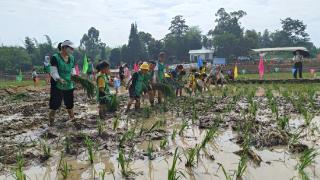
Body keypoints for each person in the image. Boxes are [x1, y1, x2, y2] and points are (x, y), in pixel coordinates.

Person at [48, 40, 77, 126]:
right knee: (55, 104)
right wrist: (59, 78)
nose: (72, 50)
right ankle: (51, 122)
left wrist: (75, 76)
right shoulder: (55, 57)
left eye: (72, 48)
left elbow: (72, 69)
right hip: (57, 84)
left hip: (68, 84)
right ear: (64, 48)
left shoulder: (71, 58)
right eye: (70, 48)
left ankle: (72, 118)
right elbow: (53, 71)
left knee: (69, 103)